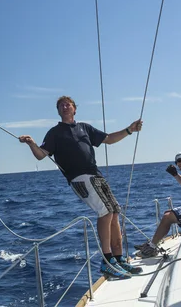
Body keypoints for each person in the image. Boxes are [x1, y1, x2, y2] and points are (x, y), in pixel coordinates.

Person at [19, 95, 143, 279]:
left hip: (96, 175)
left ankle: (118, 258)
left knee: (115, 212)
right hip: (79, 178)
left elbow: (108, 139)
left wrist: (129, 130)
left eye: (68, 104)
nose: (65, 106)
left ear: (74, 109)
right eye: (61, 105)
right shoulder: (54, 133)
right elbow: (41, 155)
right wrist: (31, 143)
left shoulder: (84, 127)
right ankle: (107, 261)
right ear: (59, 111)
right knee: (105, 212)